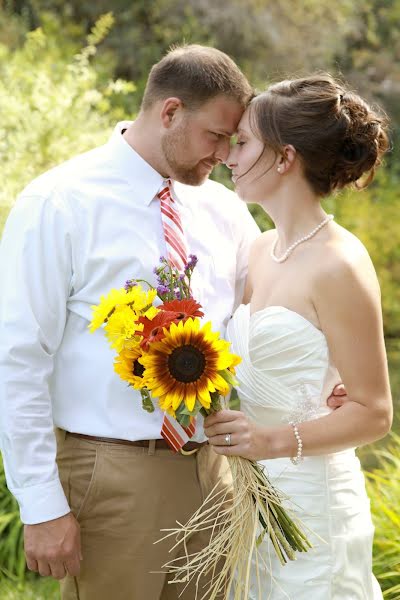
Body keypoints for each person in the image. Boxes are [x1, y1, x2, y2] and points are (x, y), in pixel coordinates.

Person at [0, 44, 258, 600]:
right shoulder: (58, 202)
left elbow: (253, 322)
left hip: (214, 475)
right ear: (169, 113)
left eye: (232, 142)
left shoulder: (227, 211)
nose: (223, 155)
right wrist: (42, 505)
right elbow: (18, 359)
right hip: (108, 473)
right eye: (215, 136)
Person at [204, 74, 392, 599]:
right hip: (253, 499)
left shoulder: (339, 264)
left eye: (242, 143)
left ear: (285, 158)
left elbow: (375, 411)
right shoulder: (260, 249)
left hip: (315, 505)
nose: (228, 156)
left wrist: (269, 441)